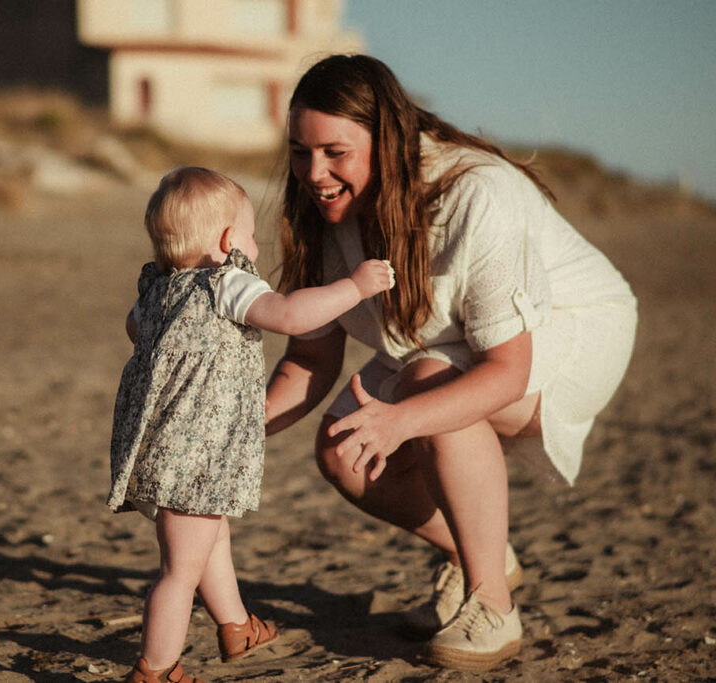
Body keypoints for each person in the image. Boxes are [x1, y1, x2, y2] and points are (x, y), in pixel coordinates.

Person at [264, 55, 637, 672]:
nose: (314, 173)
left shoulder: (473, 193)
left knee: (425, 389)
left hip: (570, 330)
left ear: (386, 140)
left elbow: (507, 371)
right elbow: (310, 355)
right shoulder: (316, 205)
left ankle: (492, 604)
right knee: (341, 445)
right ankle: (482, 554)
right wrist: (241, 426)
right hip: (440, 347)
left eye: (335, 152)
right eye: (300, 152)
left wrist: (401, 421)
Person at [109, 166, 395, 683]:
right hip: (195, 456)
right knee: (179, 573)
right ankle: (155, 670)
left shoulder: (156, 292)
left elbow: (136, 332)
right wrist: (353, 287)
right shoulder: (226, 284)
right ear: (227, 240)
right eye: (250, 234)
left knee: (210, 535)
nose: (254, 245)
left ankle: (237, 626)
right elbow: (288, 315)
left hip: (158, 450)